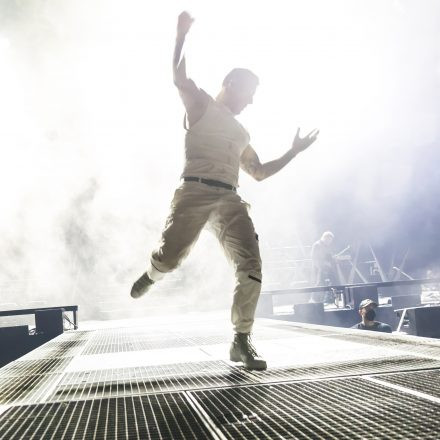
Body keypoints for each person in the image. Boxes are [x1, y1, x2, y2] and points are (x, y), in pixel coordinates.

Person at [130, 11, 319, 370]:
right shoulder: (201, 105)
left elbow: (258, 172)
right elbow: (178, 77)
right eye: (249, 94)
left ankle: (241, 340)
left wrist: (293, 152)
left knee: (251, 265)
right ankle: (153, 273)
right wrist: (180, 36)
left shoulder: (241, 133)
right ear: (231, 83)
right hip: (195, 192)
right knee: (170, 258)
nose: (251, 102)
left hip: (229, 199)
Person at [309, 231, 335, 303]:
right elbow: (314, 257)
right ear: (325, 238)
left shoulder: (326, 246)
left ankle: (326, 299)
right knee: (319, 283)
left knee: (329, 281)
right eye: (329, 240)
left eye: (330, 241)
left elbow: (328, 256)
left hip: (325, 268)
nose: (330, 242)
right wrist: (323, 264)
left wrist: (333, 259)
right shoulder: (317, 245)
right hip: (318, 268)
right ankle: (313, 299)